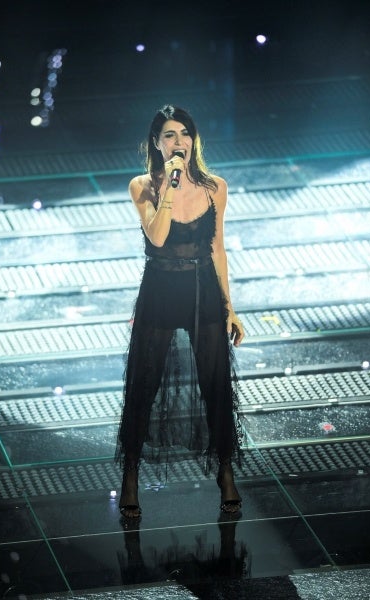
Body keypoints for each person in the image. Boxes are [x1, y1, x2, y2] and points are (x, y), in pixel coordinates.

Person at [115, 104, 245, 519]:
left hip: (202, 288)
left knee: (216, 383)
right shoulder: (143, 186)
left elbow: (218, 249)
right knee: (144, 383)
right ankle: (130, 476)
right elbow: (156, 238)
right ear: (157, 143)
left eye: (185, 133)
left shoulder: (215, 187)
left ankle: (225, 471)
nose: (179, 142)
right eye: (170, 135)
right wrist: (169, 187)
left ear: (194, 140)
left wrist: (230, 307)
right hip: (160, 288)